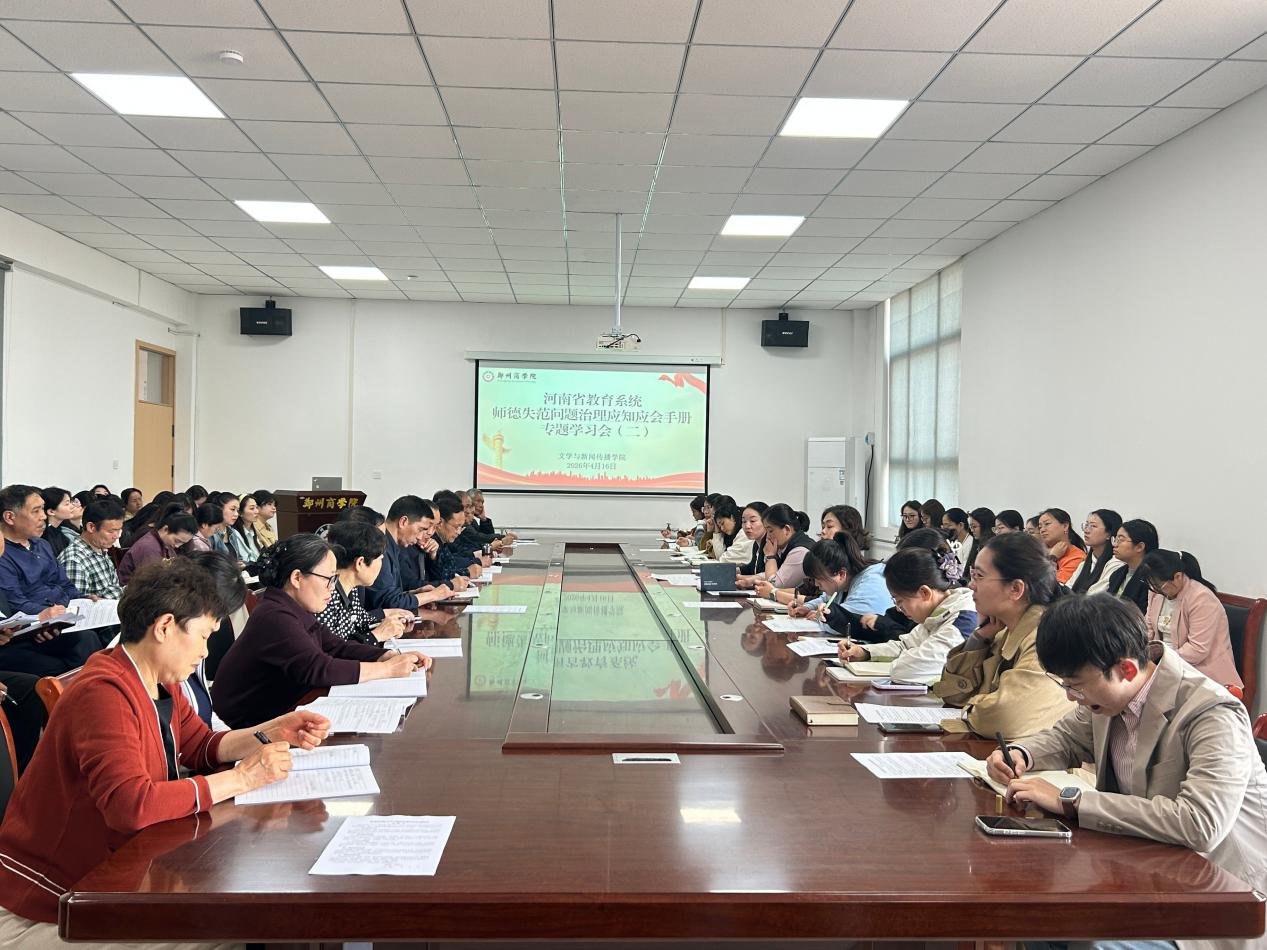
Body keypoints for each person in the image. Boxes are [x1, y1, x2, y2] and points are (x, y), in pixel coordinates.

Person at [0, 558, 333, 946]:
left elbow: (201, 746)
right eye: (204, 636)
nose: (206, 652)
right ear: (164, 627)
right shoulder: (103, 693)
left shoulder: (156, 681)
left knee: (238, 918)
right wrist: (243, 778)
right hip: (50, 904)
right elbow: (132, 805)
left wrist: (271, 731)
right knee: (227, 930)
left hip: (102, 882)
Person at [987, 593, 1266, 950]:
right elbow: (1067, 737)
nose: (1070, 696)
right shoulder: (1111, 694)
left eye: (1075, 685)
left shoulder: (1211, 714)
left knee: (1093, 941)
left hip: (1222, 897)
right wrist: (1020, 753)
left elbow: (1200, 824)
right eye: (1064, 684)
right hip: (1147, 871)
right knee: (1034, 908)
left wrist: (1071, 800)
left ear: (1127, 669)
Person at [211, 534, 430, 728]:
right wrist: (387, 669)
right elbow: (318, 668)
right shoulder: (274, 615)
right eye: (328, 579)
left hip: (282, 711)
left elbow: (336, 647)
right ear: (297, 578)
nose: (332, 588)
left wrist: (385, 655)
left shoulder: (293, 607)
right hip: (248, 727)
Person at [932, 532, 1075, 740]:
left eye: (979, 576)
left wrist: (972, 707)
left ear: (1015, 589)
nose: (971, 585)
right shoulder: (1002, 630)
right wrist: (978, 639)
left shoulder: (1047, 639)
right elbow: (953, 694)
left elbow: (1004, 719)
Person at [838, 547, 977, 683]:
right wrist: (865, 652)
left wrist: (902, 660)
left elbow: (909, 670)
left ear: (925, 593)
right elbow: (905, 645)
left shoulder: (963, 620)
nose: (898, 609)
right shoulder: (937, 613)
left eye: (899, 601)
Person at [1140, 549, 1242, 690]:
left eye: (1159, 585)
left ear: (1177, 577)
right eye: (1152, 585)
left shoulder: (1201, 598)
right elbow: (1148, 628)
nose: (1155, 590)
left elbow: (1197, 650)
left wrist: (1162, 656)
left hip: (1201, 673)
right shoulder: (1156, 593)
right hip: (1167, 665)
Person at [318, 521, 414, 645]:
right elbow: (333, 650)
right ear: (360, 563)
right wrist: (378, 635)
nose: (381, 566)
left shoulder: (350, 588)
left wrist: (390, 619)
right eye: (380, 559)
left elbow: (360, 620)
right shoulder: (326, 596)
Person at [182, 550, 247, 726]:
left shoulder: (194, 642)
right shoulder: (170, 663)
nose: (217, 625)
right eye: (217, 616)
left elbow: (206, 717)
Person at [789, 533, 893, 634]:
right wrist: (807, 608)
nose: (816, 584)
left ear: (841, 574)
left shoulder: (871, 584)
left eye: (819, 579)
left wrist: (818, 617)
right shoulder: (843, 582)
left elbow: (845, 623)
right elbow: (825, 599)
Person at [366, 496, 455, 611]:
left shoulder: (394, 546)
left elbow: (392, 594)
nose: (420, 536)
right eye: (420, 529)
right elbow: (388, 603)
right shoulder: (381, 548)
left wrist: (415, 593)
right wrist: (432, 596)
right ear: (403, 522)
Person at [57, 497, 124, 599]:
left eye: (118, 530)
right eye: (111, 531)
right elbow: (78, 604)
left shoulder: (100, 549)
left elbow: (114, 588)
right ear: (91, 527)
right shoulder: (74, 560)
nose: (116, 536)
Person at [748, 504, 813, 596]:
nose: (767, 536)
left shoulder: (800, 551)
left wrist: (770, 556)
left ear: (786, 529)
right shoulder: (786, 546)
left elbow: (773, 586)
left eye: (770, 531)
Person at [117, 511, 197, 585]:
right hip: (136, 590)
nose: (177, 546)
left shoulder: (165, 543)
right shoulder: (148, 547)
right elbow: (152, 581)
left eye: (182, 543)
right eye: (177, 541)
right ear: (165, 529)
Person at [1066, 508, 1124, 595]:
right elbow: (1067, 589)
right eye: (1086, 525)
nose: (1086, 531)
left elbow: (1094, 596)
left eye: (1093, 526)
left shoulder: (1116, 564)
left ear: (1109, 534)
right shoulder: (1084, 564)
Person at [1106, 518, 1158, 613]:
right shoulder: (1117, 574)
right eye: (1115, 539)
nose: (1115, 545)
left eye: (1120, 540)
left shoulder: (1152, 580)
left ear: (1140, 547)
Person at [1037, 507, 1086, 584]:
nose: (1042, 530)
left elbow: (1051, 586)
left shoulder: (1077, 557)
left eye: (1047, 524)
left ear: (1065, 526)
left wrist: (1052, 558)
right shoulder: (1038, 554)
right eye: (1040, 527)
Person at [708, 498, 753, 564]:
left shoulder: (744, 533)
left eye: (722, 523)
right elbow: (721, 556)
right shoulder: (731, 534)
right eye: (719, 526)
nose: (722, 528)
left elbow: (723, 559)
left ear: (732, 517)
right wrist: (716, 531)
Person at [734, 501, 769, 585]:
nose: (747, 526)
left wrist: (751, 579)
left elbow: (773, 575)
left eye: (752, 521)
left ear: (766, 522)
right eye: (744, 521)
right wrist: (729, 571)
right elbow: (751, 568)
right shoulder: (756, 544)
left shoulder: (771, 544)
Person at [38, 487, 78, 559]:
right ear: (51, 511)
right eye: (67, 504)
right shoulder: (44, 536)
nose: (72, 506)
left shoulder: (60, 531)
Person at [228, 493, 262, 567]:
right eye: (252, 508)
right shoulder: (234, 533)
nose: (257, 511)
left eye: (256, 507)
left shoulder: (253, 530)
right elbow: (244, 560)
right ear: (240, 513)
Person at [965, 507, 994, 574]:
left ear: (985, 526)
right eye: (971, 527)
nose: (972, 530)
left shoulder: (991, 548)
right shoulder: (977, 545)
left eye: (974, 527)